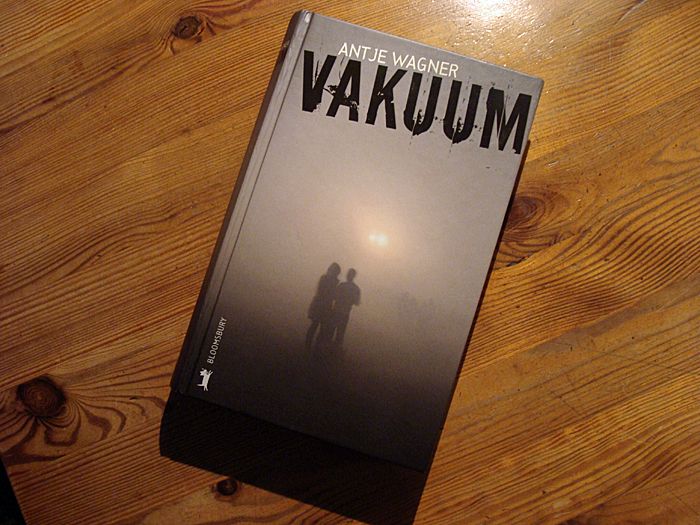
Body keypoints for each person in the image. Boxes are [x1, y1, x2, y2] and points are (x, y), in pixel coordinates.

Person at [306, 262, 341, 349]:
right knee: (318, 326)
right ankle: (312, 346)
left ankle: (311, 346)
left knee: (317, 326)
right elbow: (331, 294)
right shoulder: (331, 281)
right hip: (323, 305)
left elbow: (322, 292)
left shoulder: (325, 278)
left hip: (322, 305)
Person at [332, 268, 360, 349]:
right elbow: (356, 302)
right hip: (345, 313)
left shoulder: (342, 285)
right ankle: (335, 351)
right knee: (340, 334)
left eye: (348, 274)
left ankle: (326, 350)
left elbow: (334, 296)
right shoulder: (356, 289)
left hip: (336, 311)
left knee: (331, 331)